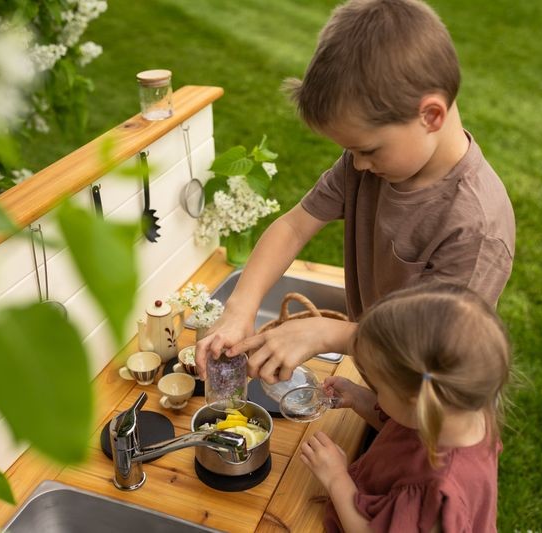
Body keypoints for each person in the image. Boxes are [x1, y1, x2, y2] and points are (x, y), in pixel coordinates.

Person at [196, 0, 515, 382]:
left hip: (433, 411)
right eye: (351, 152)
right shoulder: (368, 167)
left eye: (368, 149)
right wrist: (240, 309)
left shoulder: (475, 226)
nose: (358, 164)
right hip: (385, 382)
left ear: (431, 116)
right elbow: (294, 227)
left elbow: (435, 346)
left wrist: (332, 334)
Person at [301, 283, 512, 532]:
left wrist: (336, 479)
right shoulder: (462, 414)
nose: (374, 387)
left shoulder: (434, 491)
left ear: (415, 401)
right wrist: (359, 398)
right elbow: (404, 430)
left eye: (378, 384)